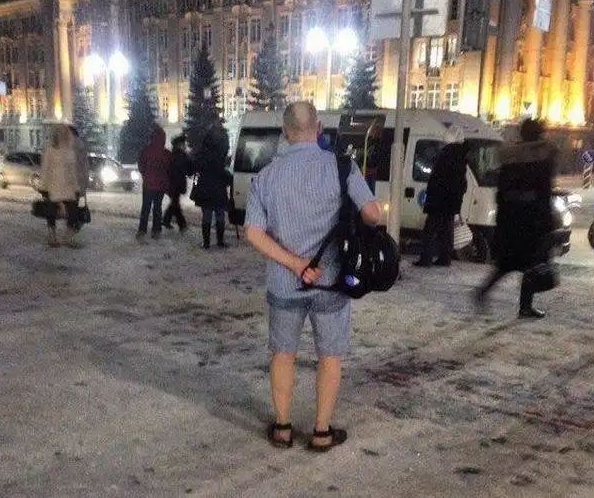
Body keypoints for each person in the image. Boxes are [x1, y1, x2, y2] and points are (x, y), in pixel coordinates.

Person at [245, 101, 382, 452]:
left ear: (285, 131)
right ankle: (321, 432)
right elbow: (373, 214)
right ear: (318, 129)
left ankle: (282, 428)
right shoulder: (342, 167)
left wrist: (295, 263)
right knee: (329, 356)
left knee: (283, 353)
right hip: (331, 281)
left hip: (284, 282)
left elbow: (254, 233)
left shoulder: (266, 176)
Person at [475, 119, 557, 318]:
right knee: (532, 264)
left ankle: (484, 292)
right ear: (538, 134)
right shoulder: (541, 157)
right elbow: (544, 193)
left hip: (511, 219)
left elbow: (501, 193)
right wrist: (547, 221)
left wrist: (503, 217)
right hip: (532, 221)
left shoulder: (510, 157)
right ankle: (525, 306)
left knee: (508, 263)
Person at [414, 125, 467, 267]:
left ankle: (426, 258)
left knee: (430, 229)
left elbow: (439, 178)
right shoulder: (460, 156)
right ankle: (445, 258)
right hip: (451, 201)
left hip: (440, 200)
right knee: (446, 230)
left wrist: (433, 194)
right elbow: (461, 182)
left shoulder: (447, 154)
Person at [41, 124, 81, 247]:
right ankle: (52, 237)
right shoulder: (50, 149)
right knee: (51, 212)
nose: (66, 134)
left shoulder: (70, 150)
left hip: (68, 186)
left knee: (73, 213)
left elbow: (73, 170)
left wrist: (76, 187)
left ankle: (69, 237)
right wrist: (44, 187)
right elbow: (45, 168)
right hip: (54, 185)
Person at [193, 124, 232, 249]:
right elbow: (222, 170)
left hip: (205, 187)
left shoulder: (203, 152)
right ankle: (220, 241)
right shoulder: (220, 152)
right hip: (219, 188)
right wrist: (229, 179)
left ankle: (206, 242)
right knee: (220, 215)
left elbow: (196, 167)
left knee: (207, 215)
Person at [137, 125, 171, 242]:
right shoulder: (166, 153)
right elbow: (169, 169)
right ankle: (156, 230)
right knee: (157, 207)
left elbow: (141, 166)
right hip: (161, 185)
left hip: (148, 184)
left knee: (146, 208)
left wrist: (145, 175)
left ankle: (142, 230)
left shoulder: (146, 151)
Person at [162, 135, 193, 232]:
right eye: (183, 144)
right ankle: (182, 224)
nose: (185, 145)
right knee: (175, 204)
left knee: (174, 203)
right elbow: (189, 169)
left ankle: (166, 220)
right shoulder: (182, 156)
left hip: (171, 183)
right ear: (179, 144)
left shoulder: (171, 155)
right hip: (177, 183)